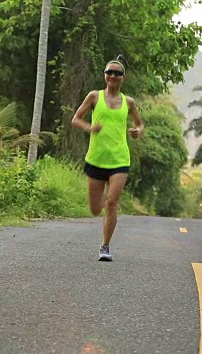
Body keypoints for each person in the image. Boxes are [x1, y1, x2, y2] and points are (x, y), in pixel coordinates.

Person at [70, 55, 145, 261]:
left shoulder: (128, 102)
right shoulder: (94, 97)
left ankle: (105, 246)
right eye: (109, 72)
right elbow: (75, 119)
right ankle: (102, 200)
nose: (113, 76)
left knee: (111, 202)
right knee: (95, 209)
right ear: (104, 75)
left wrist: (137, 131)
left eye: (117, 73)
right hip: (96, 158)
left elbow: (140, 124)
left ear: (123, 77)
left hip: (120, 159)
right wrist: (89, 127)